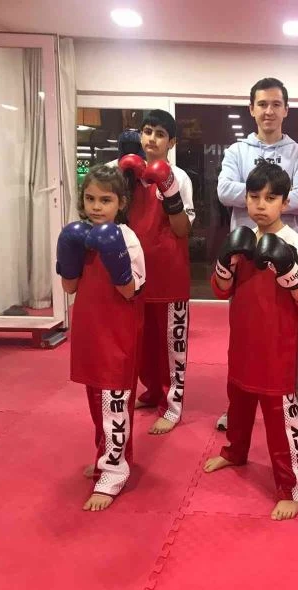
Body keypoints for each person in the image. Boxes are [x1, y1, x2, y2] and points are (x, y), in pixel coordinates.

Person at [204, 160, 298, 521]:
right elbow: (221, 290)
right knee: (238, 402)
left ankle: (291, 486)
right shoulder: (241, 241)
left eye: (270, 198)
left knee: (279, 421)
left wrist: (288, 269)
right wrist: (225, 261)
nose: (260, 205)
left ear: (285, 202)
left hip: (277, 350)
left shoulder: (293, 243)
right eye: (254, 197)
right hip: (242, 343)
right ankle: (235, 451)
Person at [216, 77, 298, 434]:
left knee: (290, 337)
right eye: (262, 104)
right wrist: (267, 193)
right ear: (252, 109)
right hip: (243, 253)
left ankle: (297, 405)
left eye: (276, 104)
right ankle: (237, 408)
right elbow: (223, 190)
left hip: (285, 250)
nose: (268, 111)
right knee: (243, 334)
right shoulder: (237, 151)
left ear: (286, 110)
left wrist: (254, 191)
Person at [57, 165, 146, 511]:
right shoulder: (78, 236)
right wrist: (69, 252)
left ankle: (113, 471)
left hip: (117, 333)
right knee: (98, 403)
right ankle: (106, 457)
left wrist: (113, 254)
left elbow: (130, 291)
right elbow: (70, 287)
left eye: (105, 200)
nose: (96, 206)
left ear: (120, 202)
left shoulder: (127, 238)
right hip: (89, 331)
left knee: (114, 403)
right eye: (90, 198)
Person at [118, 109, 196, 435]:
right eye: (147, 131)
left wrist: (168, 191)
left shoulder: (179, 177)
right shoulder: (126, 174)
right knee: (143, 345)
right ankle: (151, 392)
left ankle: (172, 406)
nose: (152, 138)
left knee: (170, 348)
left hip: (169, 275)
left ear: (171, 142)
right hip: (136, 275)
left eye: (160, 134)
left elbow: (183, 229)